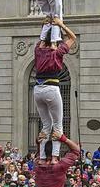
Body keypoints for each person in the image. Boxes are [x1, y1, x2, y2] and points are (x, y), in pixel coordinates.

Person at [32, 19, 76, 160]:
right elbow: (72, 38)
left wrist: (46, 24)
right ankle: (55, 157)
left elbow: (42, 39)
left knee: (46, 125)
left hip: (37, 90)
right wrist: (60, 25)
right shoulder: (58, 52)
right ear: (57, 41)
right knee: (57, 125)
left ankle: (44, 157)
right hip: (51, 88)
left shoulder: (38, 50)